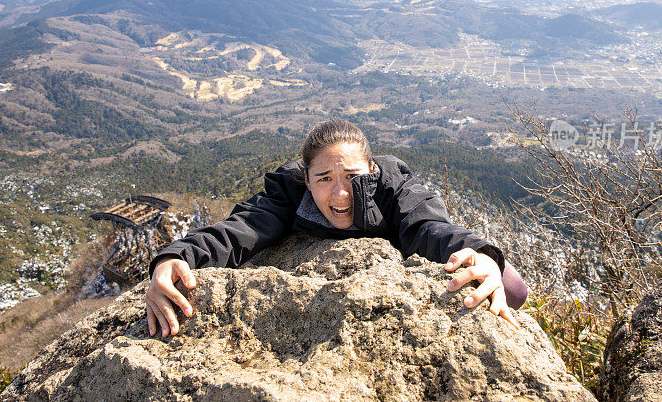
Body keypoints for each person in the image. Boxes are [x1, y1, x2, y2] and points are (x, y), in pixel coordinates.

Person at [146, 119, 528, 338]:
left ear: (373, 172)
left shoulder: (394, 187)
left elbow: (427, 225)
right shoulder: (290, 196)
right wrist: (173, 258)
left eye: (353, 176)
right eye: (324, 178)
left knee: (512, 289)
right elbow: (239, 230)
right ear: (306, 179)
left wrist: (481, 255)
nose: (340, 191)